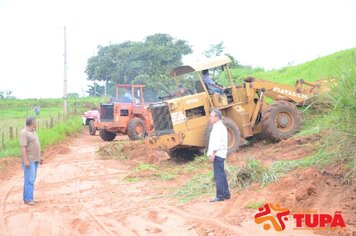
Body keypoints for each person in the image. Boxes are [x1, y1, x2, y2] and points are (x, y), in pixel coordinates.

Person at [207, 109, 230, 202]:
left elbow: (216, 142)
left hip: (218, 154)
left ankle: (220, 195)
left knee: (218, 175)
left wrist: (213, 154)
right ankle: (226, 194)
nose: (210, 118)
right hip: (220, 153)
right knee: (222, 174)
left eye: (211, 116)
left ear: (217, 117)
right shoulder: (220, 126)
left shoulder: (218, 128)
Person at [20, 117, 43, 205]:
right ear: (32, 123)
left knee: (30, 179)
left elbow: (35, 145)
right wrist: (25, 160)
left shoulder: (33, 131)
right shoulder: (24, 133)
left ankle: (27, 198)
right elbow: (23, 147)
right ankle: (29, 199)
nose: (36, 124)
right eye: (35, 122)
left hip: (35, 159)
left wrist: (39, 157)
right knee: (30, 180)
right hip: (29, 160)